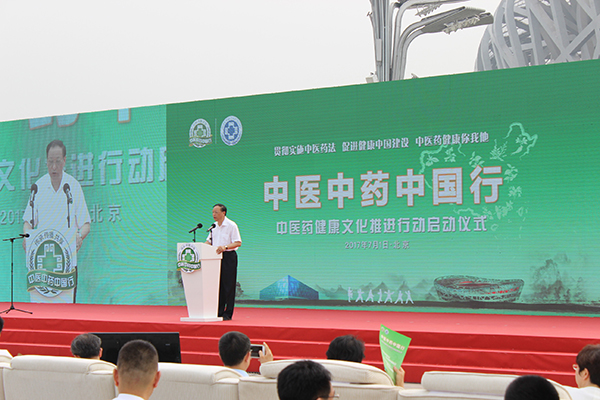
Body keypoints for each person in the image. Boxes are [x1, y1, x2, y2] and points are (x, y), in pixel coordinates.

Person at [23, 139, 91, 303]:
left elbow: (86, 225)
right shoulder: (38, 187)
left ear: (64, 160)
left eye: (58, 161)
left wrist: (79, 236)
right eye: (50, 162)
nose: (54, 167)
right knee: (42, 309)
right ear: (46, 162)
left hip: (66, 262)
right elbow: (27, 222)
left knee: (66, 311)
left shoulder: (72, 186)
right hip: (42, 264)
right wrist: (27, 237)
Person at [206, 203, 242, 320]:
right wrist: (201, 247)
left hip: (228, 257)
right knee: (218, 285)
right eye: (213, 212)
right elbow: (209, 242)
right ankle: (219, 311)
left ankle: (228, 312)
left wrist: (225, 247)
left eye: (216, 212)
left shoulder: (231, 225)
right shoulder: (213, 227)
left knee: (228, 285)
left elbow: (238, 242)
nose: (214, 214)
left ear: (223, 213)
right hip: (215, 258)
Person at [326, 334, 405, 387]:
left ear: (328, 355)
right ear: (360, 359)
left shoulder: (320, 382)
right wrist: (399, 385)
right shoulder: (378, 381)